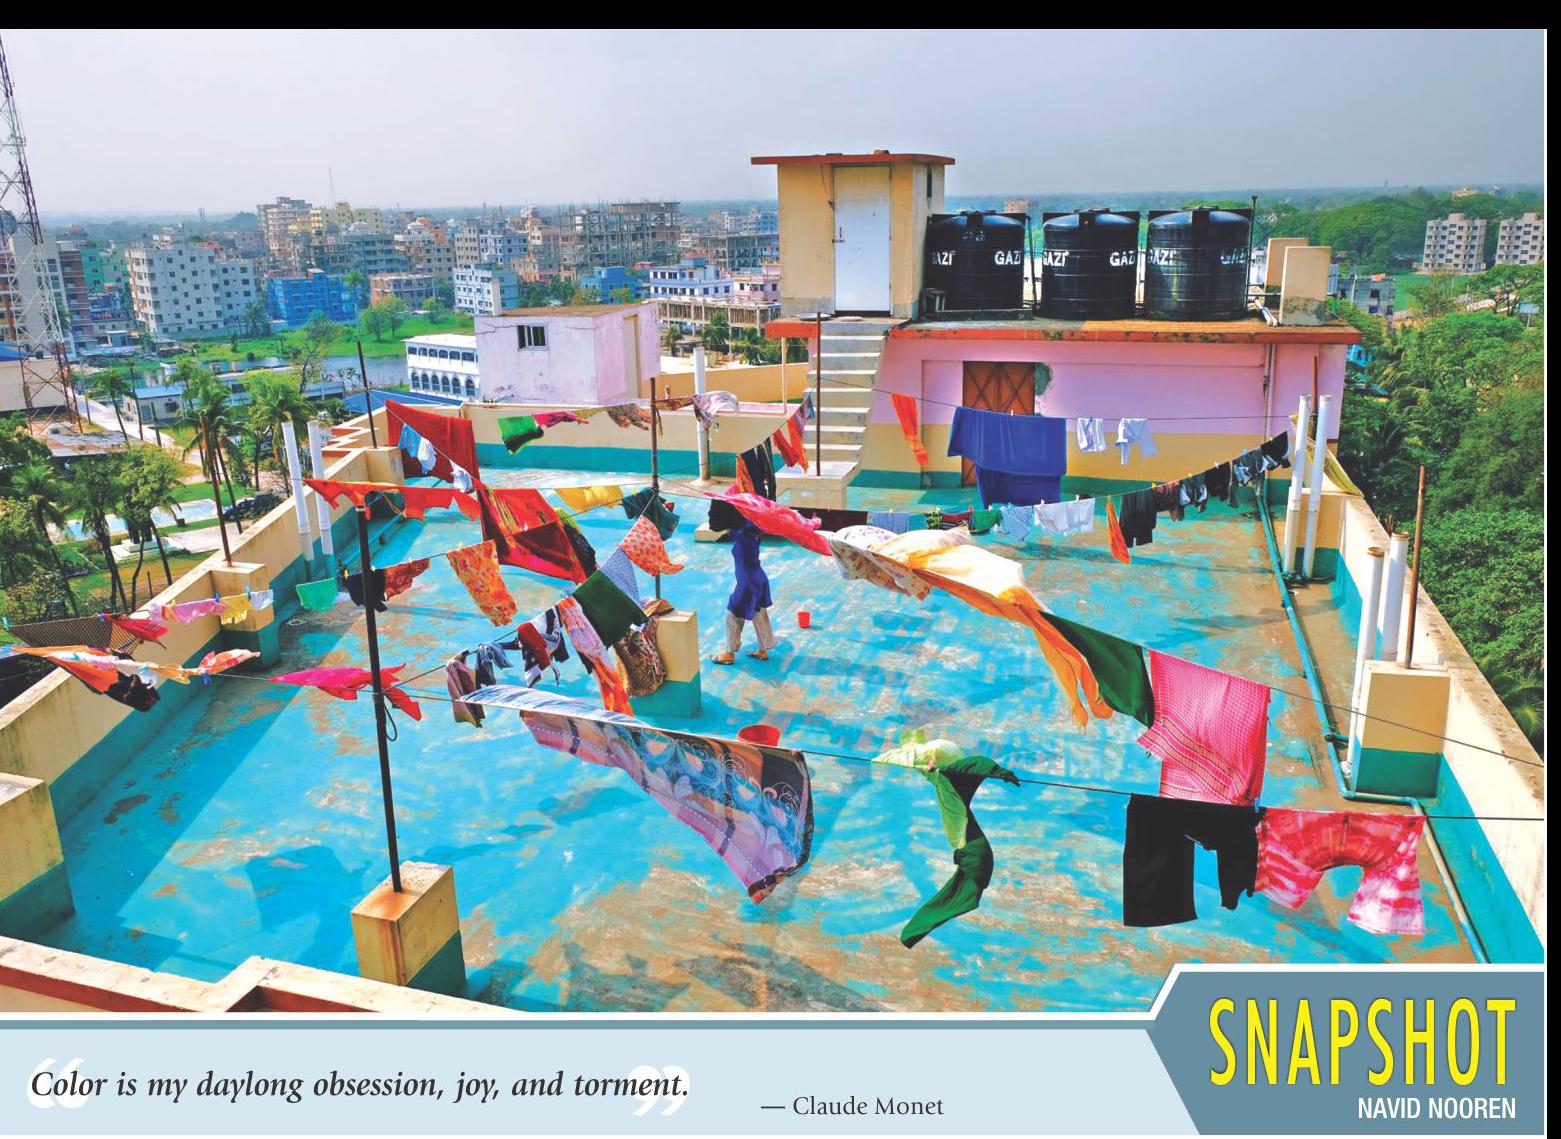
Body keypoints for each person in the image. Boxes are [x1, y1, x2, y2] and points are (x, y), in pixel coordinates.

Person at [712, 520, 776, 664]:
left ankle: (729, 654)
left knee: (732, 614)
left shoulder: (743, 537)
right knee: (759, 614)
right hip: (758, 579)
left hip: (748, 583)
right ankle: (763, 650)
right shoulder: (755, 537)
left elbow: (724, 527)